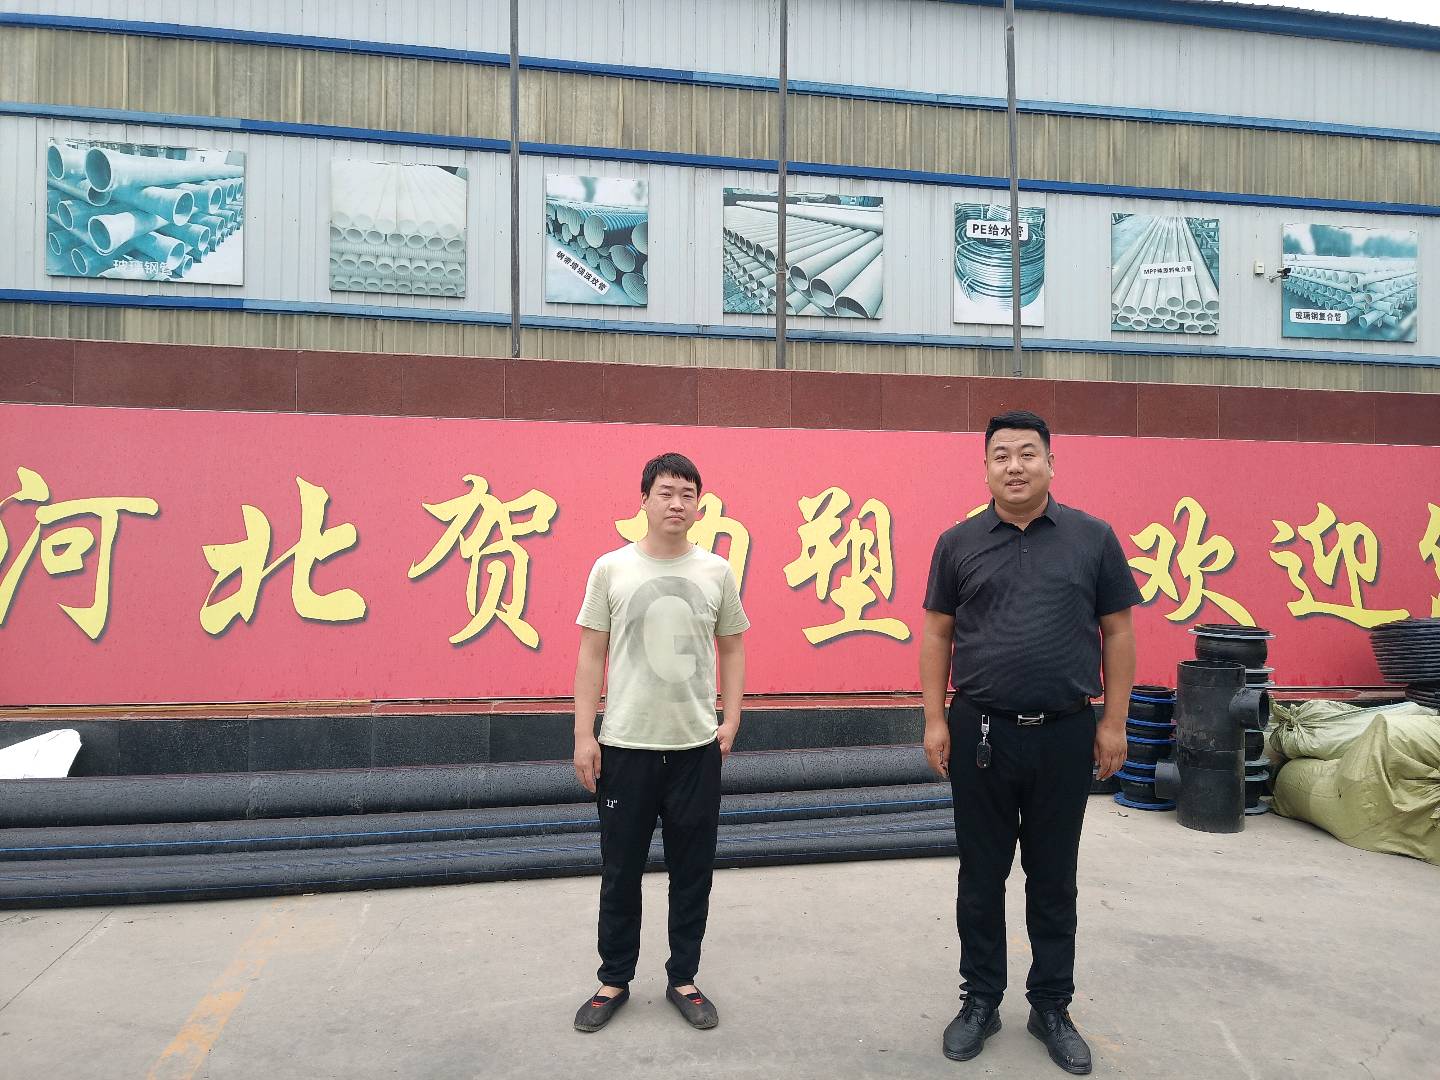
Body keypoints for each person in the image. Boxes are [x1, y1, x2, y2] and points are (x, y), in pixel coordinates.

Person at [919, 410, 1140, 1075]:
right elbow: (936, 634)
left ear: (1050, 462)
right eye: (1001, 455)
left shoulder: (1093, 538)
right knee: (981, 876)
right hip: (980, 731)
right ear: (985, 467)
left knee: (1053, 876)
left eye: (1027, 454)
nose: (1014, 466)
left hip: (1066, 734)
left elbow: (1118, 633)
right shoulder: (957, 543)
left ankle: (1051, 1006)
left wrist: (1113, 722)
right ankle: (980, 1000)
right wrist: (934, 719)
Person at [571, 452, 749, 1033]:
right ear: (644, 500)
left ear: (700, 506)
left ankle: (684, 978)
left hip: (696, 748)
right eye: (666, 492)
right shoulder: (612, 569)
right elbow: (590, 654)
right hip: (624, 746)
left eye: (687, 494)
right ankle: (613, 979)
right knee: (621, 869)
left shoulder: (716, 572)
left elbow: (733, 646)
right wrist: (584, 734)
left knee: (692, 870)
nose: (677, 503)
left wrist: (731, 718)